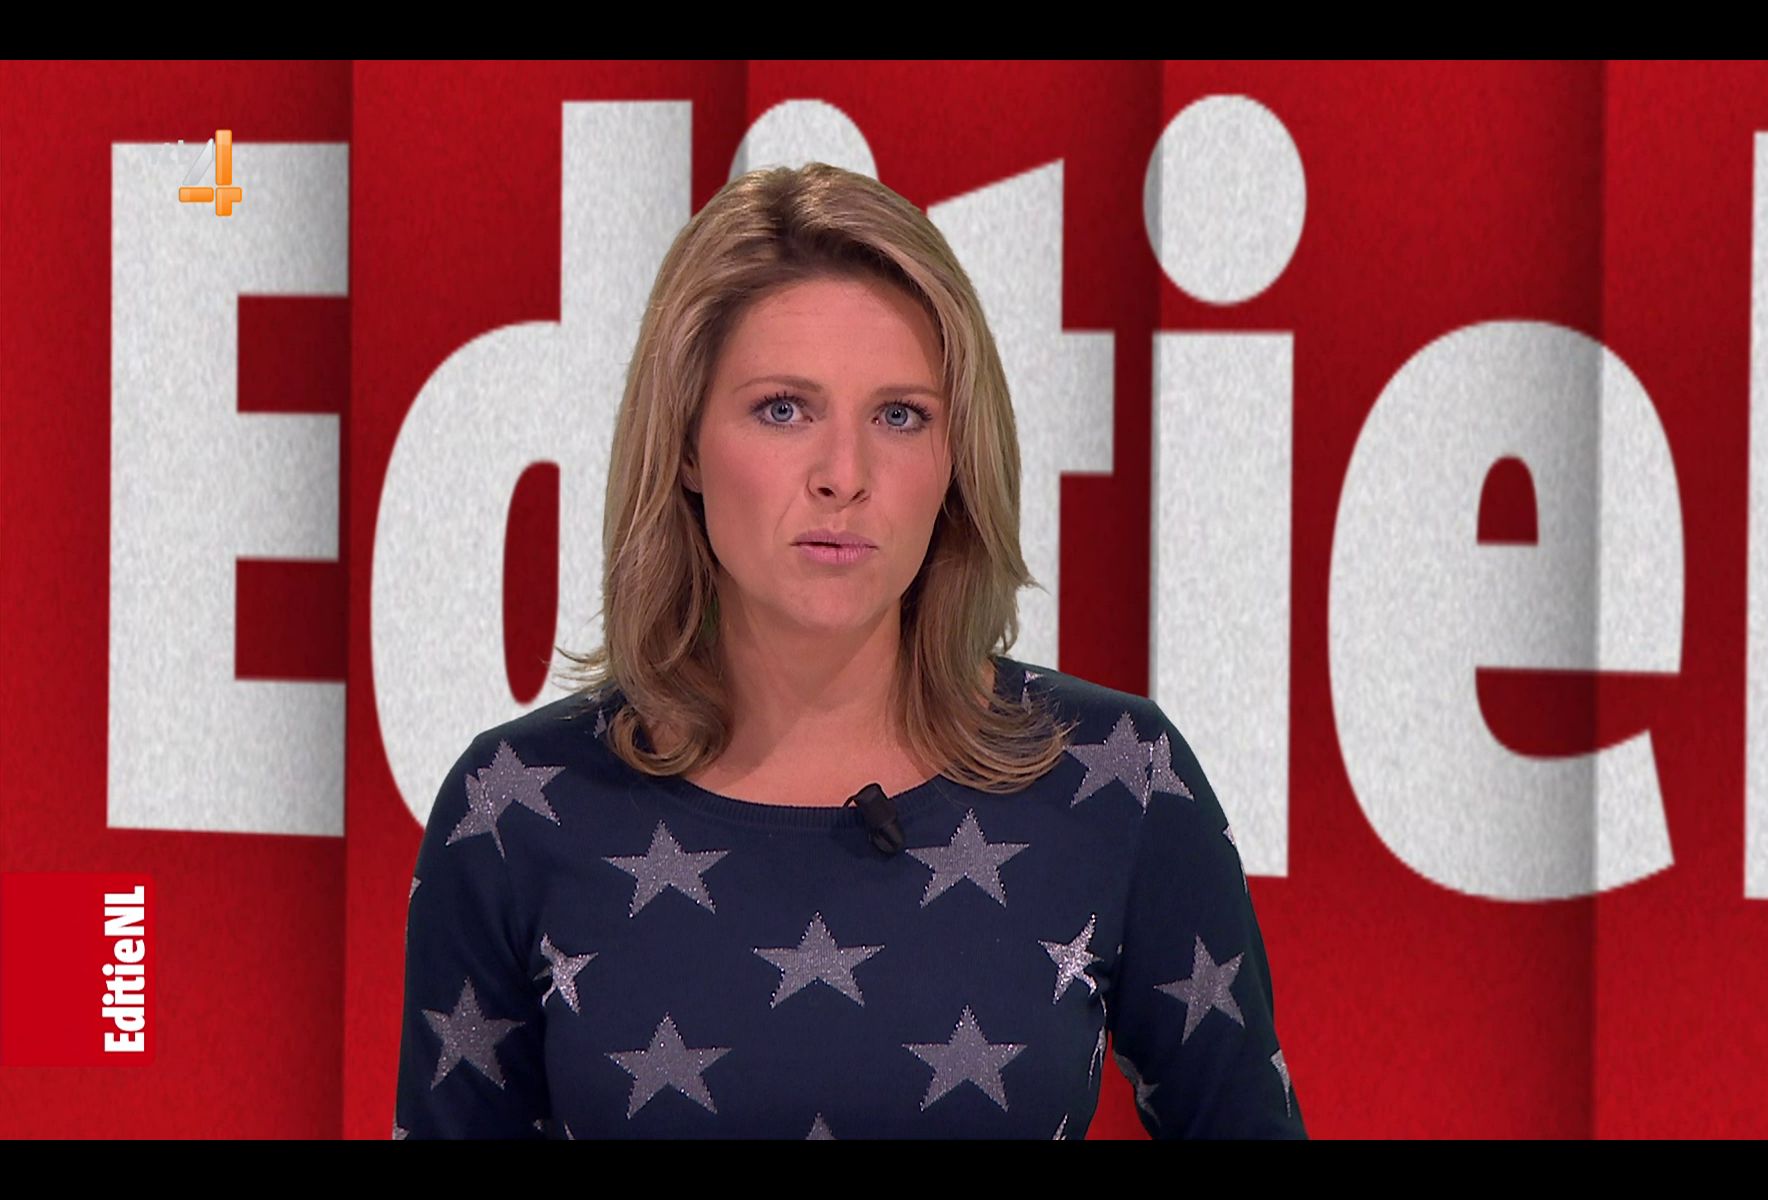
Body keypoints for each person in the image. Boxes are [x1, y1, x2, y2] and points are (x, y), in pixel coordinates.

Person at [392, 162, 1306, 1140]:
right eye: (784, 409)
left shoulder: (1118, 780)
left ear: (957, 461)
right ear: (687, 445)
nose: (844, 474)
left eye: (899, 415)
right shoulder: (513, 809)